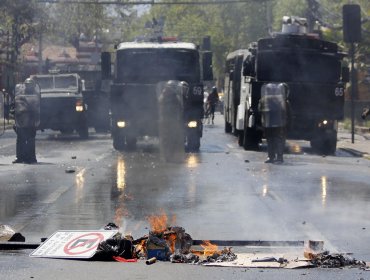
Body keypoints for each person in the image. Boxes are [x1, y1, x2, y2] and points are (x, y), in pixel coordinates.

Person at [258, 83, 289, 164]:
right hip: (278, 124)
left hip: (269, 123)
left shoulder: (264, 99)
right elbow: (286, 112)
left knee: (271, 140)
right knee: (277, 140)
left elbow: (259, 110)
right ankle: (278, 157)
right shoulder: (281, 99)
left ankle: (272, 157)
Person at [13, 78, 40, 164]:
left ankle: (31, 158)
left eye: (30, 85)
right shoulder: (19, 93)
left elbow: (36, 107)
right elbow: (16, 105)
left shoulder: (35, 94)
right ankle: (20, 157)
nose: (28, 86)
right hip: (21, 120)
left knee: (30, 139)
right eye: (27, 84)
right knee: (20, 139)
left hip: (31, 120)